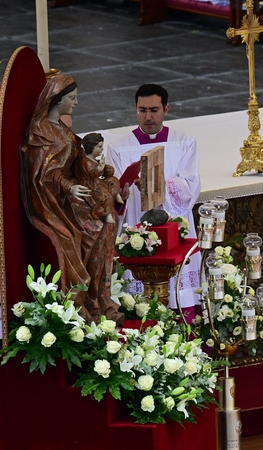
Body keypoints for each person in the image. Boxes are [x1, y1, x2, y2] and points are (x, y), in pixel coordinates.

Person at [21, 74, 124, 325]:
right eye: (72, 98)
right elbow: (44, 174)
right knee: (91, 230)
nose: (76, 103)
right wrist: (70, 187)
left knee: (106, 226)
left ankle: (100, 299)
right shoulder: (42, 132)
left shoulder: (61, 129)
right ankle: (83, 303)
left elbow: (76, 161)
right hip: (53, 202)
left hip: (73, 193)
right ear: (57, 100)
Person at [105, 84, 202, 316]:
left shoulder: (184, 142)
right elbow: (112, 194)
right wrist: (122, 196)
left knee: (180, 300)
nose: (148, 117)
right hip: (136, 226)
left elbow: (191, 187)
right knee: (139, 307)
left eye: (154, 110)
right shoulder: (118, 148)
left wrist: (155, 185)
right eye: (142, 110)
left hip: (175, 227)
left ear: (166, 109)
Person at [78, 133, 124, 224]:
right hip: (90, 185)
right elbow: (92, 173)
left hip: (97, 181)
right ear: (91, 147)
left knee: (113, 180)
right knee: (107, 196)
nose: (102, 149)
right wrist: (100, 168)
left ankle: (116, 194)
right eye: (99, 147)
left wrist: (106, 169)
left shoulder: (93, 159)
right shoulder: (85, 161)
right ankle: (107, 214)